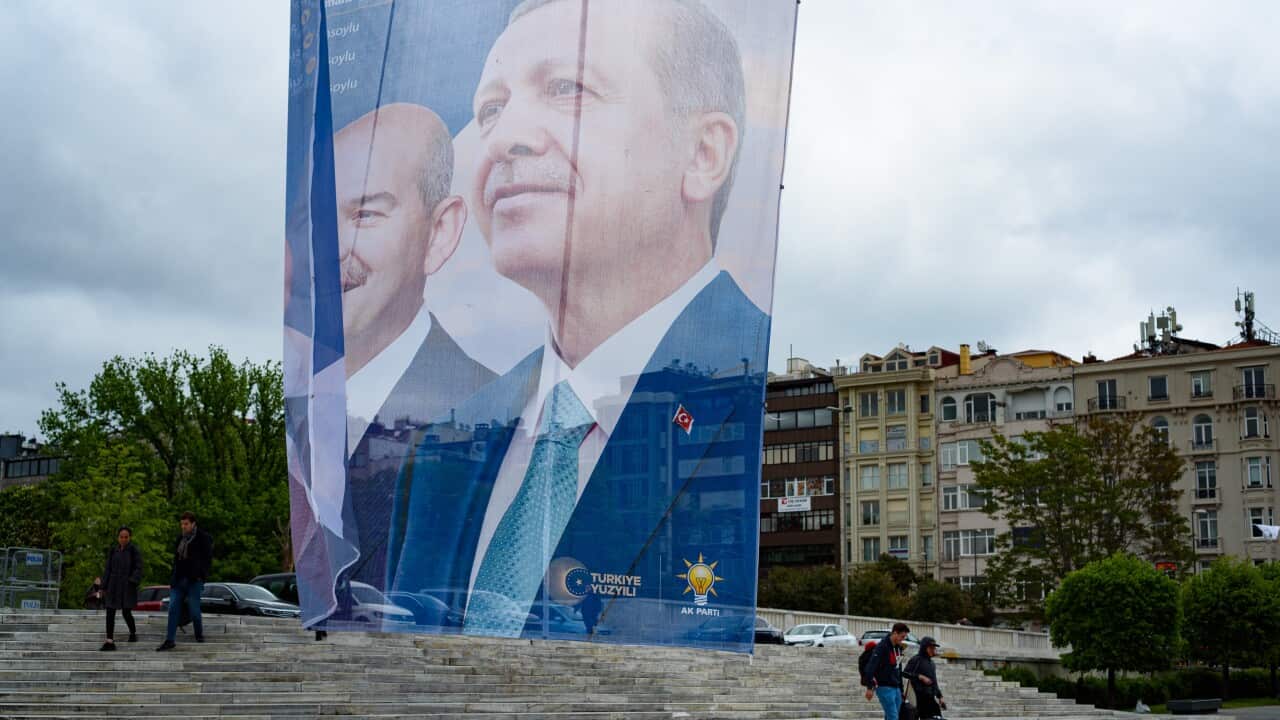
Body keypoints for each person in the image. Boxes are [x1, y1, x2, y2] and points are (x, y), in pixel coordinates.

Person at [387, 0, 767, 645]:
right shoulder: (444, 443)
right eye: (491, 109)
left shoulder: (759, 397)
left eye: (566, 88)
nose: (502, 138)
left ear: (704, 153)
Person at [157, 512, 212, 651]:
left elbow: (207, 560)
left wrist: (201, 576)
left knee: (194, 611)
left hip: (194, 580)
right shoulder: (180, 538)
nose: (183, 526)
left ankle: (199, 634)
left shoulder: (203, 537)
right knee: (173, 608)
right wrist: (173, 576)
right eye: (182, 524)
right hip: (178, 580)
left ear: (193, 524)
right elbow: (176, 559)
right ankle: (170, 640)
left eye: (186, 524)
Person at [862, 622, 909, 720]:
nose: (903, 639)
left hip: (896, 687)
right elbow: (870, 667)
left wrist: (901, 689)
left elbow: (898, 670)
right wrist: (869, 687)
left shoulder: (898, 648)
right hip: (884, 687)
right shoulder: (882, 647)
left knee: (891, 716)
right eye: (902, 636)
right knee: (893, 716)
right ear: (895, 633)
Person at [904, 636, 947, 719]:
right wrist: (920, 677)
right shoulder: (916, 659)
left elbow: (934, 682)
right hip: (916, 697)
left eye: (934, 648)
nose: (933, 650)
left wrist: (940, 697)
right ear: (924, 648)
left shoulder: (931, 663)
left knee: (936, 717)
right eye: (931, 648)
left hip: (929, 697)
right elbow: (905, 673)